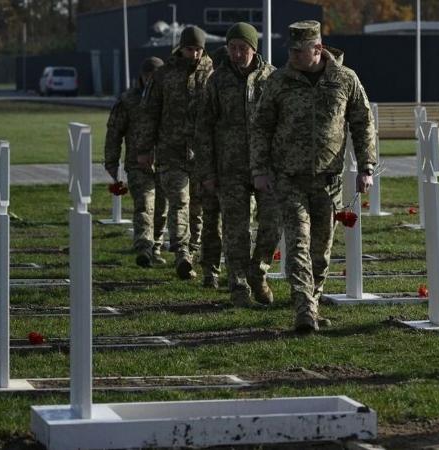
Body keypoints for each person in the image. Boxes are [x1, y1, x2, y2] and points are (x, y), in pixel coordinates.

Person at [250, 20, 377, 332]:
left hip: (327, 182)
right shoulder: (279, 81)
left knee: (320, 252)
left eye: (299, 51)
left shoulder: (344, 79)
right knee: (297, 246)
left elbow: (362, 123)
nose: (292, 55)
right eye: (290, 50)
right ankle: (304, 312)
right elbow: (261, 127)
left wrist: (367, 167)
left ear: (318, 49)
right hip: (288, 178)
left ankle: (312, 303)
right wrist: (259, 169)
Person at [198, 22, 280, 305]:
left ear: (253, 49)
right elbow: (204, 129)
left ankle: (258, 271)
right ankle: (239, 286)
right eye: (232, 48)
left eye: (242, 48)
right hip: (229, 167)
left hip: (266, 167)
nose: (236, 54)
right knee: (236, 229)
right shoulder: (217, 80)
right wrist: (207, 171)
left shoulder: (271, 79)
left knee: (273, 222)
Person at [139, 26, 214, 280]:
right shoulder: (164, 75)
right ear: (181, 48)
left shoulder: (212, 73)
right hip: (171, 149)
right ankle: (182, 252)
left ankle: (192, 251)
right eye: (189, 49)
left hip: (201, 152)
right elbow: (149, 113)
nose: (194, 54)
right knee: (179, 201)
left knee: (198, 206)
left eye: (198, 49)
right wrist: (145, 148)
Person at [104, 56, 168, 267]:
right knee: (144, 205)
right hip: (137, 164)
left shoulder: (169, 99)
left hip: (165, 164)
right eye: (149, 76)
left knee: (161, 209)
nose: (152, 81)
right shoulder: (129, 101)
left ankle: (155, 247)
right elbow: (114, 132)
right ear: (142, 76)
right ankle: (143, 246)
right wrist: (112, 163)